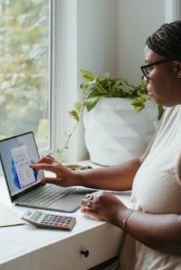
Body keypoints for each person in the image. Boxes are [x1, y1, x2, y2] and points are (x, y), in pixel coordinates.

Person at [30, 20, 181, 269]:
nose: (145, 80)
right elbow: (139, 167)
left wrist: (119, 214)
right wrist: (76, 177)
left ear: (177, 68)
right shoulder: (174, 110)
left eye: (149, 69)